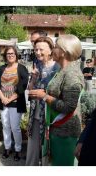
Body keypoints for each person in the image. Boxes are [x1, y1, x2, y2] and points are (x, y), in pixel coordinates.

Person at [29, 34, 84, 166]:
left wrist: (44, 96)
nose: (53, 50)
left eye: (56, 47)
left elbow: (68, 107)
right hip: (57, 130)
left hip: (65, 132)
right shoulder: (64, 70)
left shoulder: (71, 74)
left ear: (64, 52)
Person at [26, 37, 60, 166]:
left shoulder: (57, 68)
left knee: (48, 149)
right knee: (32, 148)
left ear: (51, 50)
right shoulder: (38, 66)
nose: (38, 52)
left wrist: (44, 94)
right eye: (36, 49)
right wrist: (33, 78)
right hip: (35, 114)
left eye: (41, 49)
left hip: (50, 116)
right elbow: (30, 90)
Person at [0, 46, 29, 161]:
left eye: (12, 54)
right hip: (3, 102)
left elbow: (22, 87)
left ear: (16, 55)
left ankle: (18, 150)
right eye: (8, 54)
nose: (10, 55)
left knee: (15, 128)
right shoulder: (1, 69)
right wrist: (3, 98)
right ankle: (7, 148)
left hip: (15, 103)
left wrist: (9, 99)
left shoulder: (22, 68)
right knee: (5, 126)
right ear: (5, 56)